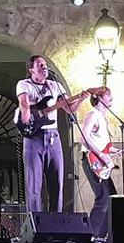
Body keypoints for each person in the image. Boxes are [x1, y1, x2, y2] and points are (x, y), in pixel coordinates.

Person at [16, 55, 82, 212]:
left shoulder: (55, 85)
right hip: (34, 138)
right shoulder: (24, 84)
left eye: (45, 64)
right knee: (34, 185)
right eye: (40, 65)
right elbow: (24, 103)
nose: (44, 67)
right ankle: (35, 224)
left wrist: (80, 99)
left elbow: (68, 108)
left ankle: (56, 223)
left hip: (53, 136)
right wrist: (25, 116)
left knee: (57, 183)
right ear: (31, 69)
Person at [79, 87, 117, 243]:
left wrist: (118, 151)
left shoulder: (102, 117)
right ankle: (93, 236)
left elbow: (103, 144)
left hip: (100, 162)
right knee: (103, 198)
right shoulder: (93, 115)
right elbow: (84, 138)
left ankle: (101, 237)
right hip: (92, 161)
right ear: (100, 98)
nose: (112, 99)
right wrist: (101, 155)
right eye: (109, 96)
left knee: (112, 199)